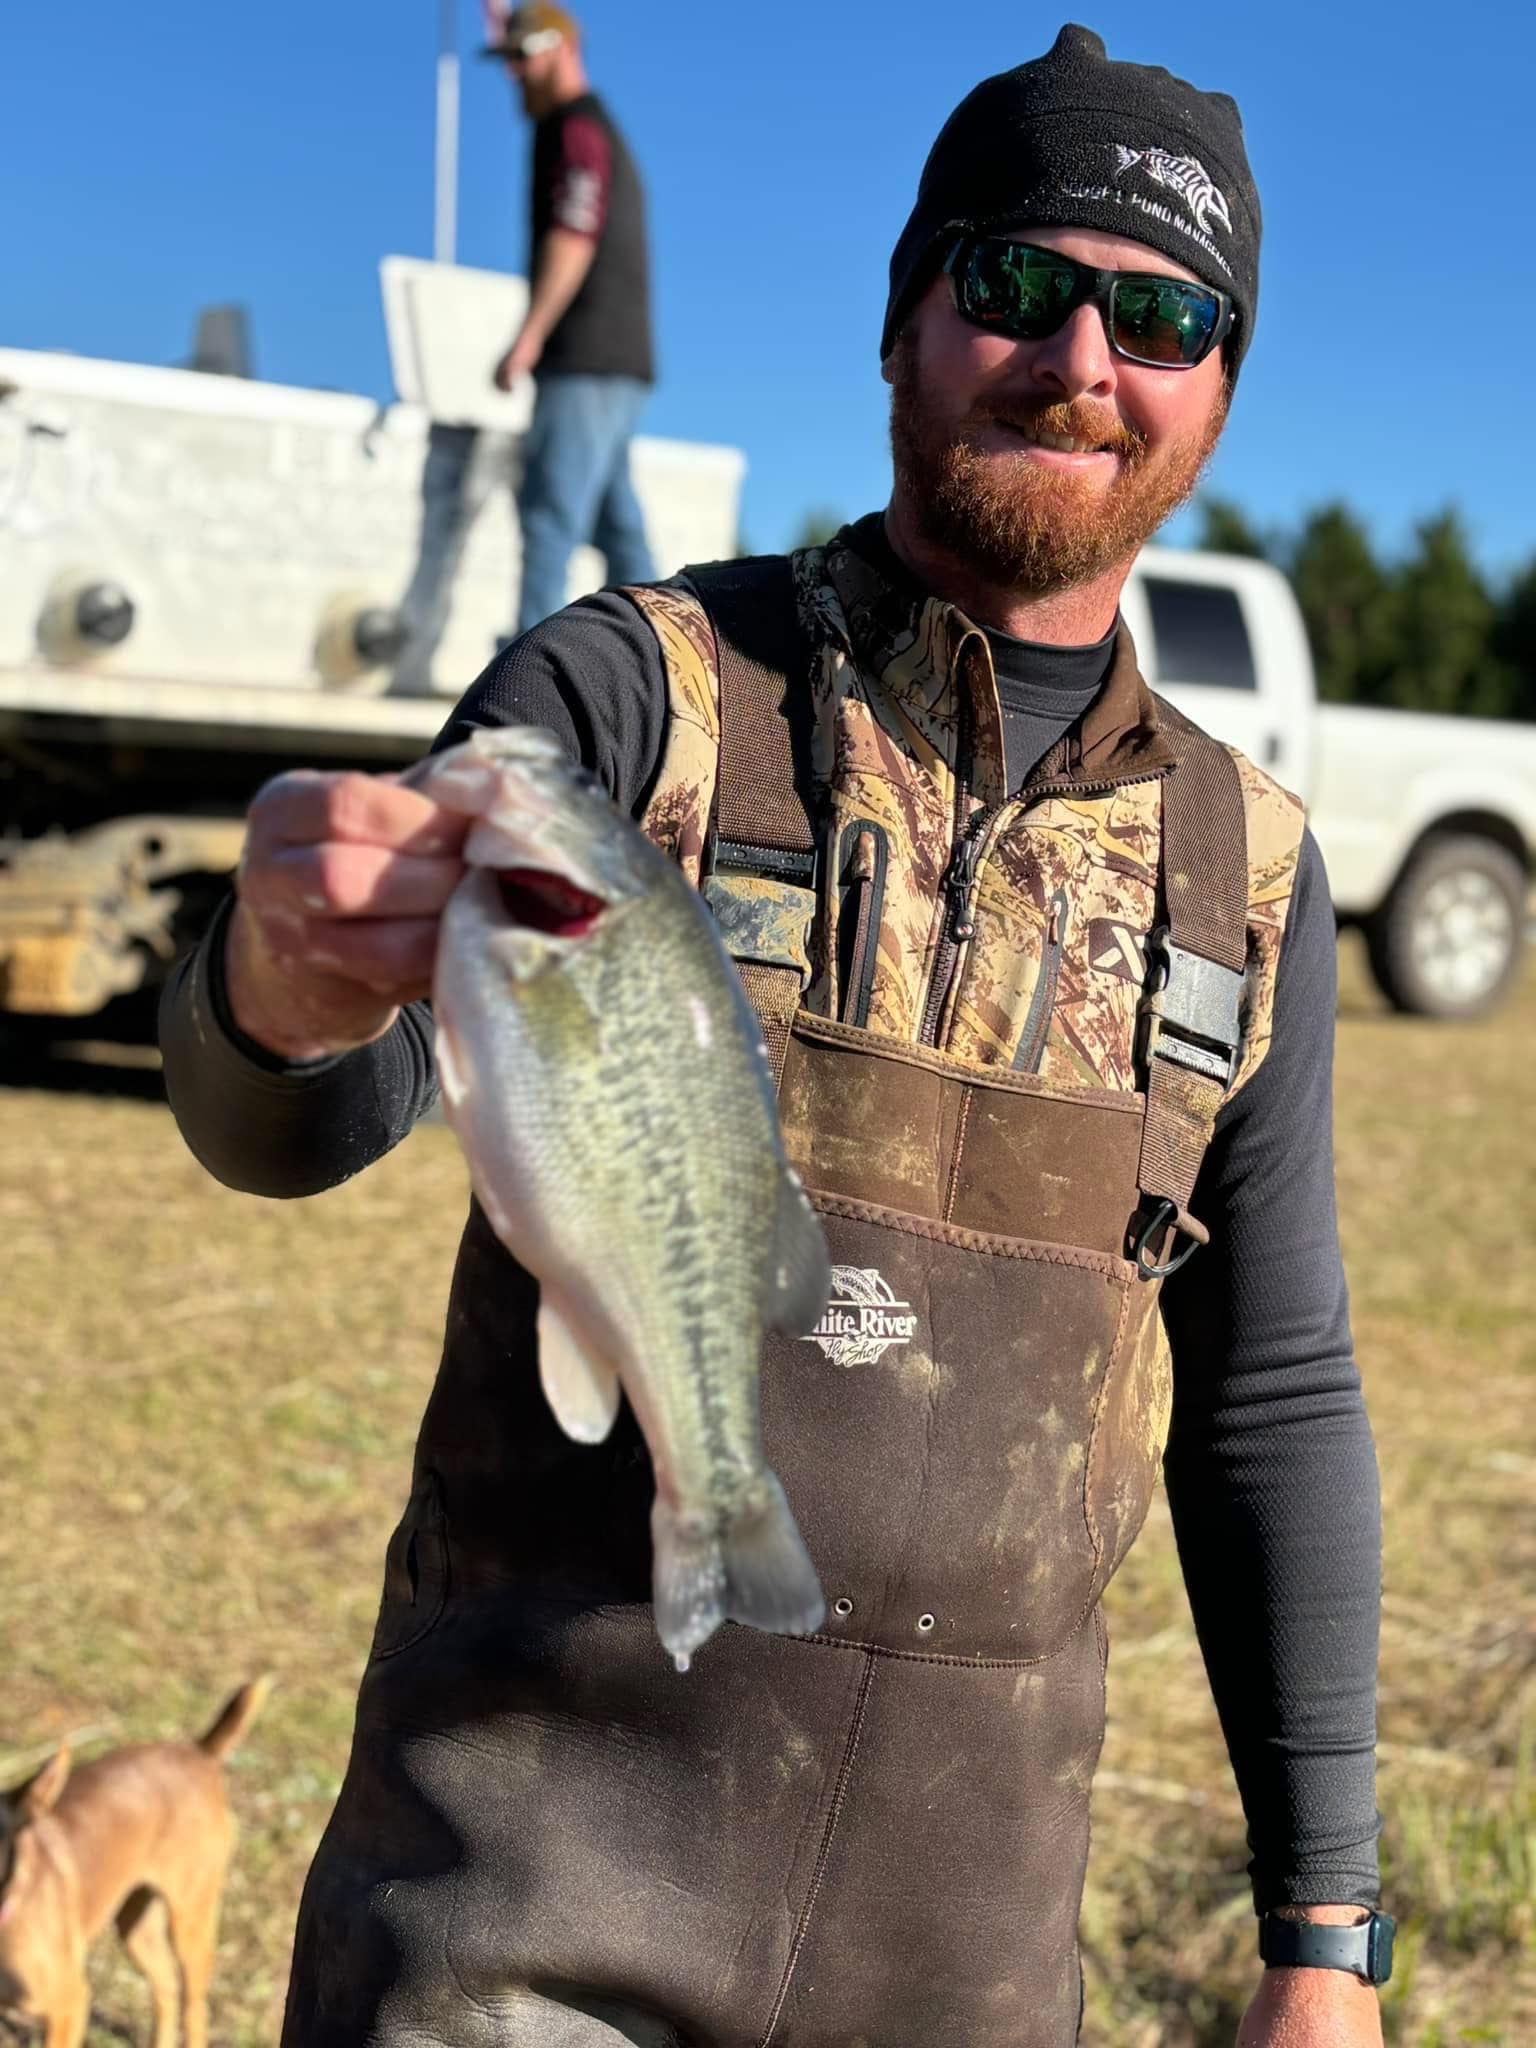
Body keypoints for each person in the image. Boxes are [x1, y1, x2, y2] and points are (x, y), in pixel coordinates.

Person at [160, 25, 1387, 2048]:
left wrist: (1323, 1937)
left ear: (1216, 396)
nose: (1082, 355)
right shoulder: (634, 698)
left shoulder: (1243, 874)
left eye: (1159, 313)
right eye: (1016, 283)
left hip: (967, 1973)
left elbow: (1275, 1397)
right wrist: (277, 986)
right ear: (904, 319)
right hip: (512, 1934)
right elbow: (293, 1116)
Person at [392, 2, 655, 693]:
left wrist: (530, 335)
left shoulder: (576, 131)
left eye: (523, 59)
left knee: (548, 513)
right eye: (508, 61)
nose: (514, 75)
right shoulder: (578, 127)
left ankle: (529, 690)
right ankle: (670, 669)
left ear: (561, 51)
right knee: (614, 522)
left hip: (588, 357)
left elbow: (574, 231)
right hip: (615, 361)